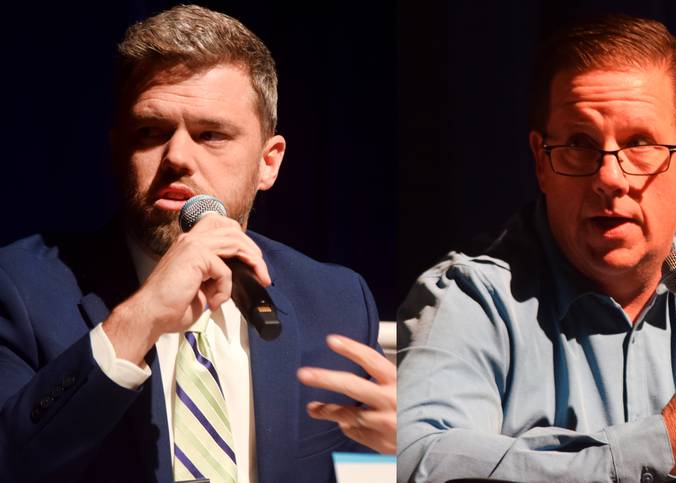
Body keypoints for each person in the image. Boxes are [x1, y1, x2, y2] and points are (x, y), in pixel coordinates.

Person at [0, 5, 395, 483]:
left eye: (211, 135)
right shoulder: (19, 289)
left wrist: (405, 451)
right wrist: (138, 318)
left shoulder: (335, 301)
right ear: (116, 146)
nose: (178, 157)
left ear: (268, 163)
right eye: (151, 132)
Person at [397, 14, 676, 482]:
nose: (609, 176)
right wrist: (661, 443)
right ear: (541, 162)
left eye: (640, 143)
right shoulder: (471, 299)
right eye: (579, 144)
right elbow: (414, 460)